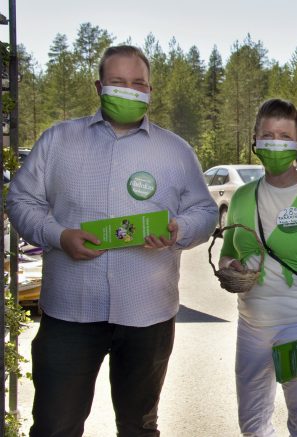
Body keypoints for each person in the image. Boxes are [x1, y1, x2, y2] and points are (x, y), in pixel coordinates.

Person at [6, 45, 218, 436]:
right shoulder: (58, 141)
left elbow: (205, 212)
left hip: (147, 314)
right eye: (119, 83)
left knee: (139, 427)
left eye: (139, 83)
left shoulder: (175, 150)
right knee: (55, 425)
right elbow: (20, 200)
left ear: (151, 91)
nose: (130, 90)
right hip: (70, 312)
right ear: (99, 86)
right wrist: (58, 235)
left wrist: (178, 230)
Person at [218, 98, 297, 437]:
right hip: (252, 327)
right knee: (252, 425)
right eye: (268, 134)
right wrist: (229, 268)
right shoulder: (242, 197)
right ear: (255, 140)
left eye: (284, 136)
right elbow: (228, 253)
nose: (275, 143)